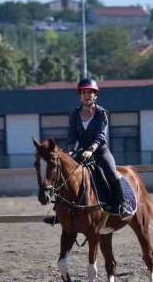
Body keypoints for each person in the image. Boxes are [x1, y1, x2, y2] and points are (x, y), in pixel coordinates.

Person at [49, 77, 134, 222]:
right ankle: (59, 211)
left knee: (112, 172)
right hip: (81, 152)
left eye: (90, 92)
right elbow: (72, 134)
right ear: (80, 95)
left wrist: (91, 149)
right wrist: (70, 150)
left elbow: (100, 136)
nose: (87, 95)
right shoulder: (75, 114)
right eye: (83, 93)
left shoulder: (101, 113)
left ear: (95, 95)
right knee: (64, 173)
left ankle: (122, 205)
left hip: (100, 151)